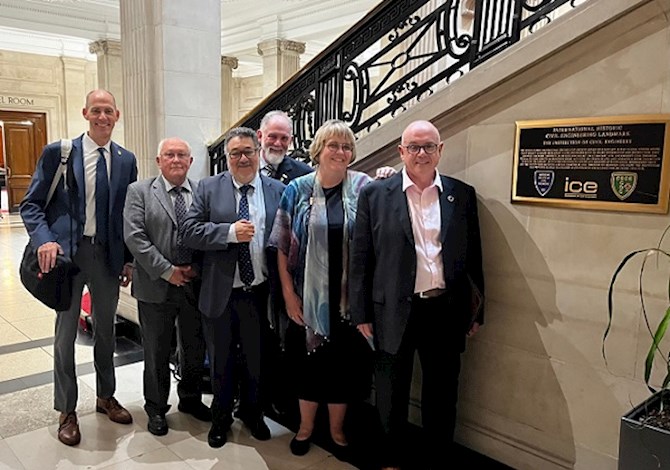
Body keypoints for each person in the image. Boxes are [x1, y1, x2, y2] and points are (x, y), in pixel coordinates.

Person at [349, 120, 485, 470]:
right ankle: (390, 460)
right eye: (413, 147)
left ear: (441, 150)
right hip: (391, 311)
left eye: (428, 146)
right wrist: (360, 312)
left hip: (445, 310)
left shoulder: (461, 194)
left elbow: (474, 258)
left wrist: (476, 310)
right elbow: (361, 257)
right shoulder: (376, 194)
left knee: (442, 395)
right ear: (401, 152)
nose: (421, 153)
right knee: (391, 393)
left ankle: (436, 460)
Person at [20, 89, 137, 446]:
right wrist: (44, 241)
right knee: (66, 333)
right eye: (96, 111)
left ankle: (105, 396)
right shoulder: (60, 153)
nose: (103, 117)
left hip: (106, 256)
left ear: (117, 116)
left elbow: (126, 214)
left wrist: (129, 258)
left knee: (106, 330)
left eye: (109, 112)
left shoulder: (126, 159)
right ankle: (67, 408)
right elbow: (32, 204)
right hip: (68, 258)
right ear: (86, 113)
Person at [268, 119, 374, 459]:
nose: (340, 152)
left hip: (349, 301)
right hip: (307, 298)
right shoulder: (296, 189)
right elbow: (282, 246)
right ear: (319, 150)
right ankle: (305, 427)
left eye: (346, 147)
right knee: (307, 368)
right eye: (333, 145)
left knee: (344, 370)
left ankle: (337, 429)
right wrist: (288, 293)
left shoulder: (364, 187)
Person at [181, 127, 285, 448]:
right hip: (220, 294)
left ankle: (253, 413)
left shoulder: (277, 190)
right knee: (222, 361)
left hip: (259, 293)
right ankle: (221, 418)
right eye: (235, 153)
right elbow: (189, 231)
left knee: (256, 360)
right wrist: (228, 233)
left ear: (259, 152)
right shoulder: (208, 188)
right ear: (226, 157)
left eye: (248, 152)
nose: (242, 158)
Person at [123, 137, 210, 436]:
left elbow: (208, 235)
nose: (176, 160)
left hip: (193, 285)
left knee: (194, 347)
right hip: (154, 286)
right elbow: (135, 237)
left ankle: (191, 398)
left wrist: (196, 268)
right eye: (169, 155)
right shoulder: (139, 192)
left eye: (182, 155)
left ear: (190, 161)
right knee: (157, 351)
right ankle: (157, 408)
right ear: (159, 161)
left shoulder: (202, 191)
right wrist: (167, 270)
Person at [257, 110, 312, 183]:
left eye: (284, 138)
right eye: (272, 137)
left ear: (290, 141)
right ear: (260, 136)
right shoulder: (240, 167)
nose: (278, 143)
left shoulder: (304, 175)